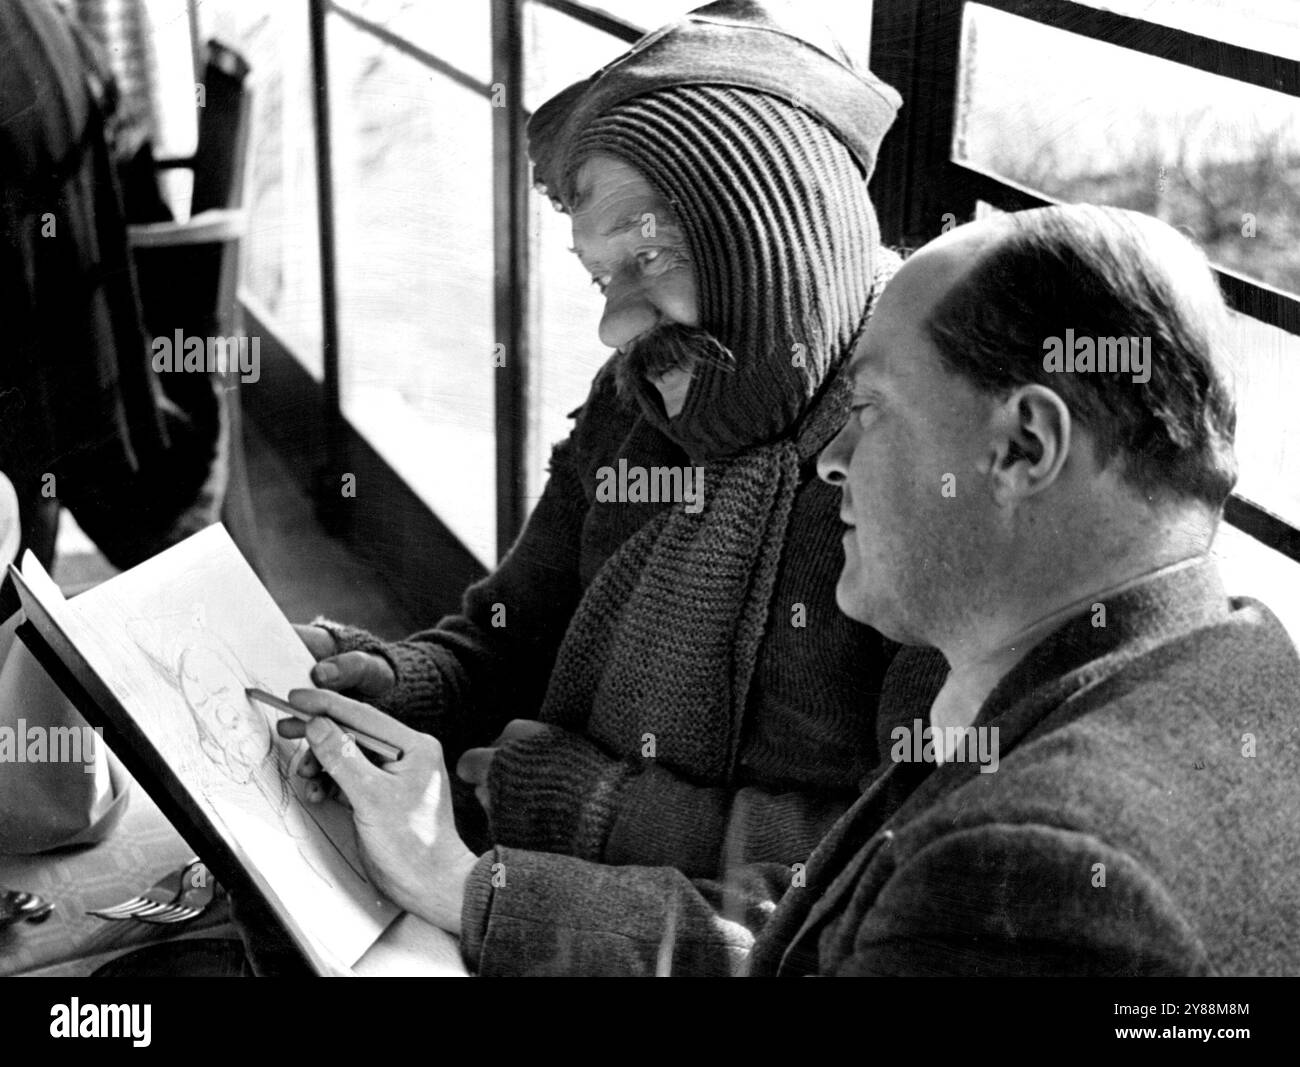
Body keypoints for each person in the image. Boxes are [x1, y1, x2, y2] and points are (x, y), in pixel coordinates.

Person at [283, 203, 1300, 976]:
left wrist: (469, 889)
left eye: (870, 410)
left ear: (1023, 445)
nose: (832, 459)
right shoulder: (1237, 668)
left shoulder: (1031, 873)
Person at [294, 0, 939, 900]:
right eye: (601, 278)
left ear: (779, 243)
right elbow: (516, 634)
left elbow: (899, 857)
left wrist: (602, 810)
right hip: (516, 881)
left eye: (652, 262)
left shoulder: (930, 458)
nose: (613, 326)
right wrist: (405, 686)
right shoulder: (645, 394)